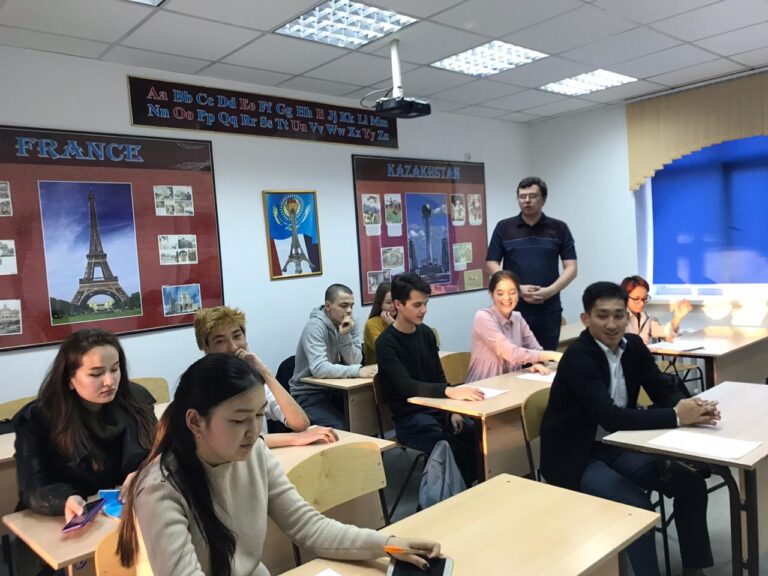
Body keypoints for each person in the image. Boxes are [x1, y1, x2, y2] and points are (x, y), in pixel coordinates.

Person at [117, 353, 439, 576]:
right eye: (238, 420)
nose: (253, 430)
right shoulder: (161, 487)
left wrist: (386, 544)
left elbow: (309, 528)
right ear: (195, 422)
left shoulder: (254, 453)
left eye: (259, 415)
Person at [540, 282, 718, 576]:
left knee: (692, 485)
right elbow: (610, 417)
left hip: (619, 445)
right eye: (602, 316)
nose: (612, 324)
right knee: (639, 510)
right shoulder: (579, 357)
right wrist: (677, 416)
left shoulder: (633, 345)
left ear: (628, 316)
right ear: (586, 319)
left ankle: (693, 570)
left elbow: (662, 389)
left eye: (618, 315)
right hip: (576, 457)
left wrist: (691, 407)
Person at [14, 329, 157, 522]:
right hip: (63, 517)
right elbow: (33, 486)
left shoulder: (137, 401)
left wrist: (146, 473)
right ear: (70, 379)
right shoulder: (36, 419)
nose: (109, 382)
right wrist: (64, 499)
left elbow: (163, 453)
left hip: (124, 512)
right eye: (96, 374)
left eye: (115, 369)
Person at [376, 273, 484, 485]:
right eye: (417, 305)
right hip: (411, 419)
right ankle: (455, 494)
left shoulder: (426, 333)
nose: (424, 310)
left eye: (425, 303)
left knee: (478, 434)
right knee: (452, 446)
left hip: (438, 410)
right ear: (398, 305)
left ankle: (472, 487)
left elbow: (438, 375)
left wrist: (452, 409)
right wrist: (449, 392)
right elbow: (406, 386)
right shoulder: (386, 343)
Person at [194, 306, 336, 447]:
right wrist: (294, 438)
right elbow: (232, 441)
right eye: (220, 341)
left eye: (237, 336)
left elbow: (300, 423)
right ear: (206, 349)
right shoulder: (200, 385)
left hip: (260, 456)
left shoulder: (251, 378)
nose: (233, 347)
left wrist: (264, 372)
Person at [485, 176, 577, 350]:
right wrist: (516, 288)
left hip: (548, 308)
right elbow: (491, 263)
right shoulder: (504, 227)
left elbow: (571, 268)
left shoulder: (559, 228)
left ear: (543, 199)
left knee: (546, 358)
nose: (526, 201)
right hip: (512, 307)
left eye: (532, 196)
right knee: (513, 359)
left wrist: (549, 291)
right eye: (522, 196)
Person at [290, 284, 377, 430]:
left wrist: (344, 336)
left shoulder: (351, 321)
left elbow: (355, 361)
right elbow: (319, 368)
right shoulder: (314, 326)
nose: (349, 310)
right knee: (342, 428)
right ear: (328, 306)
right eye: (343, 305)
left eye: (351, 305)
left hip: (337, 390)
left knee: (366, 422)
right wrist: (356, 371)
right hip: (309, 393)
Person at [466, 270, 563, 383]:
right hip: (483, 385)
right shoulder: (483, 317)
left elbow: (535, 348)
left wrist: (538, 363)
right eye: (500, 294)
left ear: (518, 294)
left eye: (512, 292)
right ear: (491, 294)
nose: (507, 298)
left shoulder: (517, 317)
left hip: (511, 382)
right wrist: (552, 355)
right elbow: (510, 352)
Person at [621, 275, 693, 344]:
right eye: (636, 299)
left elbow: (666, 333)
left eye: (645, 298)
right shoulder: (619, 319)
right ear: (625, 297)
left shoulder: (646, 317)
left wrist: (678, 317)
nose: (642, 303)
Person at [363, 281, 395, 365]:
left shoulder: (402, 319)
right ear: (380, 304)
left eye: (396, 301)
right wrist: (393, 326)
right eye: (389, 302)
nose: (393, 306)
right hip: (376, 369)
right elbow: (385, 352)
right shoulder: (371, 324)